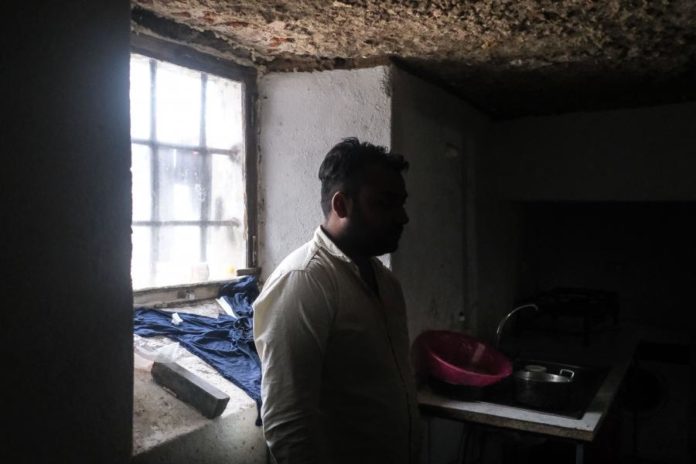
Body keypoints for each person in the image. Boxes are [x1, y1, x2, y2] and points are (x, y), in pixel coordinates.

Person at [253, 138, 420, 463]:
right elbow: (288, 421)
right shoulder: (305, 280)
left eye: (401, 203)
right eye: (385, 203)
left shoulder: (385, 282)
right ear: (341, 205)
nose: (402, 217)